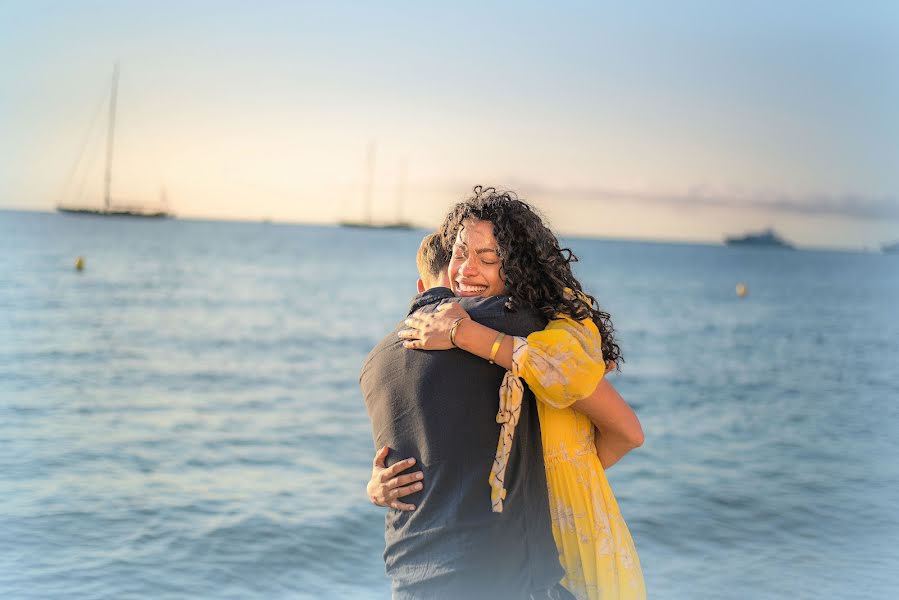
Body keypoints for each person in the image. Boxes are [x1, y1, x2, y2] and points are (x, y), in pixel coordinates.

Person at [378, 188, 646, 600]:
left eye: (488, 259)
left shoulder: (546, 331)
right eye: (460, 254)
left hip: (568, 524)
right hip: (513, 535)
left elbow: (625, 429)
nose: (466, 270)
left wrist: (567, 476)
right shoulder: (470, 330)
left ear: (520, 270)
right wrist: (379, 484)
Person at [359, 233, 574, 599]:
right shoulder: (498, 321)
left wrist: (372, 488)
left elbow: (401, 462)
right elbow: (576, 336)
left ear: (420, 283)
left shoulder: (375, 362)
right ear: (458, 273)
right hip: (492, 572)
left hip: (409, 573)